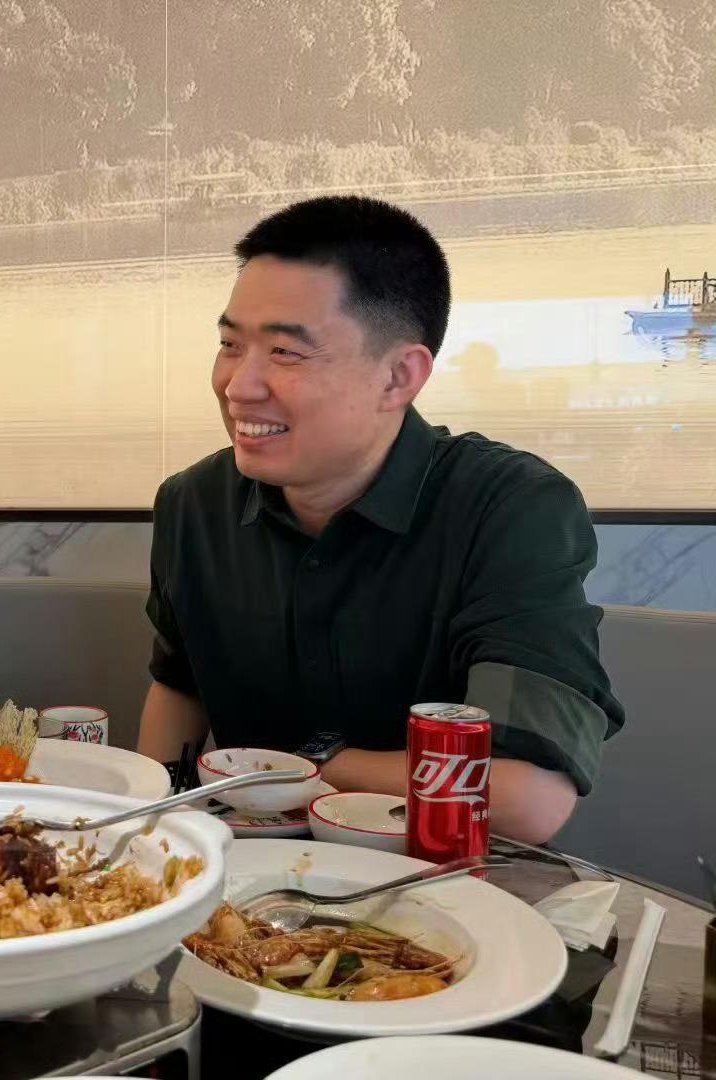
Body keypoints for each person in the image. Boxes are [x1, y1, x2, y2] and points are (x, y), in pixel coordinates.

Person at [137, 195, 623, 844]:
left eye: (284, 352)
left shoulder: (509, 508)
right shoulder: (193, 504)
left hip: (445, 883)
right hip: (243, 876)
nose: (238, 385)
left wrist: (314, 770)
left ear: (398, 376)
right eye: (230, 344)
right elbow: (180, 687)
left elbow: (525, 796)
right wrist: (153, 832)